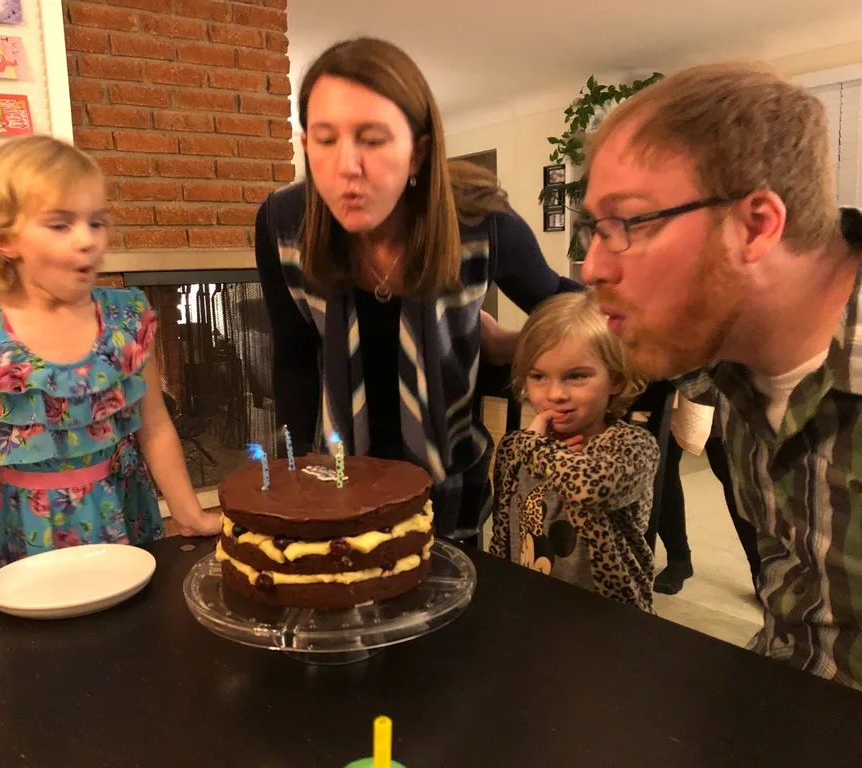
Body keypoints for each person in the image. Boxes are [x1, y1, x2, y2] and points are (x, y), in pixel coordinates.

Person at [579, 61, 862, 687]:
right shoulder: (727, 353)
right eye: (593, 229)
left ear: (756, 226)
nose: (591, 266)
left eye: (629, 222)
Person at [255, 37, 579, 539]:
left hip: (451, 480)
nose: (346, 166)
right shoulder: (282, 223)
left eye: (372, 139)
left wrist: (515, 345)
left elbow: (568, 311)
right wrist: (296, 475)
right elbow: (293, 359)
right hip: (337, 479)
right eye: (325, 139)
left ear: (418, 153)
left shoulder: (481, 221)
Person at [0, 136, 220, 611]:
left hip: (125, 517)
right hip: (26, 534)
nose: (87, 239)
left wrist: (188, 512)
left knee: (136, 632)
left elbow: (155, 427)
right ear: (5, 239)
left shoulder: (127, 319)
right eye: (60, 224)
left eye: (96, 222)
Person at [489, 292, 658, 611]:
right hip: (530, 604)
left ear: (616, 380)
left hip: (608, 616)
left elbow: (593, 488)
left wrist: (533, 448)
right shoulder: (516, 447)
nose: (555, 394)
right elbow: (502, 530)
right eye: (538, 376)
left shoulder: (633, 447)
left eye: (576, 376)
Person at [653, 417, 761, 596]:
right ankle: (678, 559)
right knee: (663, 463)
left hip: (716, 402)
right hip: (667, 401)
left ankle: (762, 571)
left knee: (729, 467)